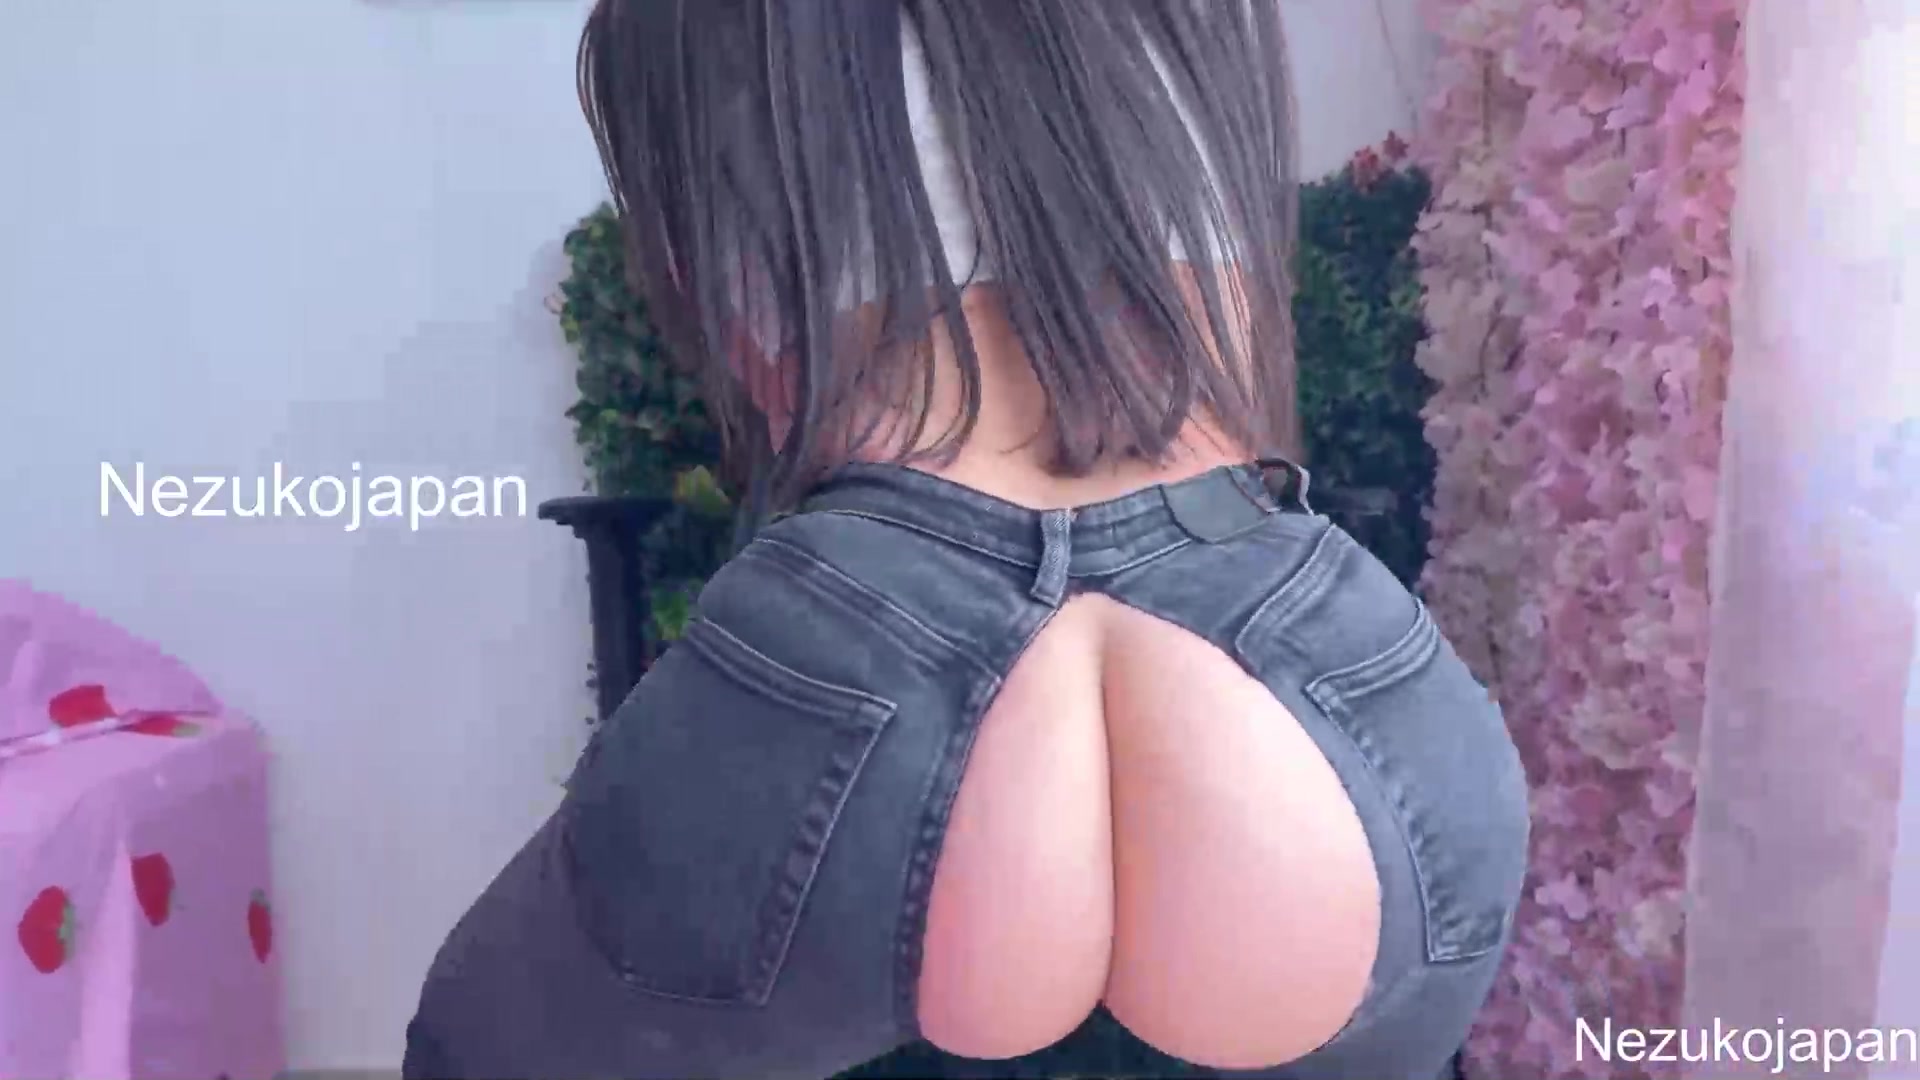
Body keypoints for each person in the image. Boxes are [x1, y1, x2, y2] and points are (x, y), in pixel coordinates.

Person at [402, 1, 1530, 1077]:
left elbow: (773, 388)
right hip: (1287, 617)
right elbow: (1240, 340)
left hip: (878, 606)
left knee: (480, 1042)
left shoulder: (713, 29)